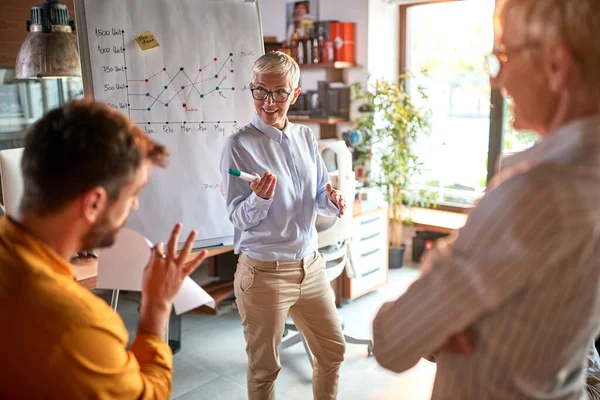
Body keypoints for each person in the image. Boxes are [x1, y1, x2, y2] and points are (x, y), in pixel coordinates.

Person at [372, 0, 600, 398]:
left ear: (555, 65)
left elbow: (392, 340)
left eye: (504, 55)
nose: (497, 78)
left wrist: (442, 301)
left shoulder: (534, 193)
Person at [0, 100, 207, 399]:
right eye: (133, 194)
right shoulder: (78, 326)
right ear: (95, 203)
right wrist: (156, 307)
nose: (134, 205)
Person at [220, 51, 346, 400]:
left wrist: (331, 202)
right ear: (252, 88)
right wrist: (259, 199)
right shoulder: (238, 145)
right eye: (260, 91)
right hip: (263, 274)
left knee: (332, 353)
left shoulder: (306, 137)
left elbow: (317, 194)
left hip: (311, 266)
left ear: (295, 94)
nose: (269, 102)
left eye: (279, 93)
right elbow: (237, 217)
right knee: (264, 371)